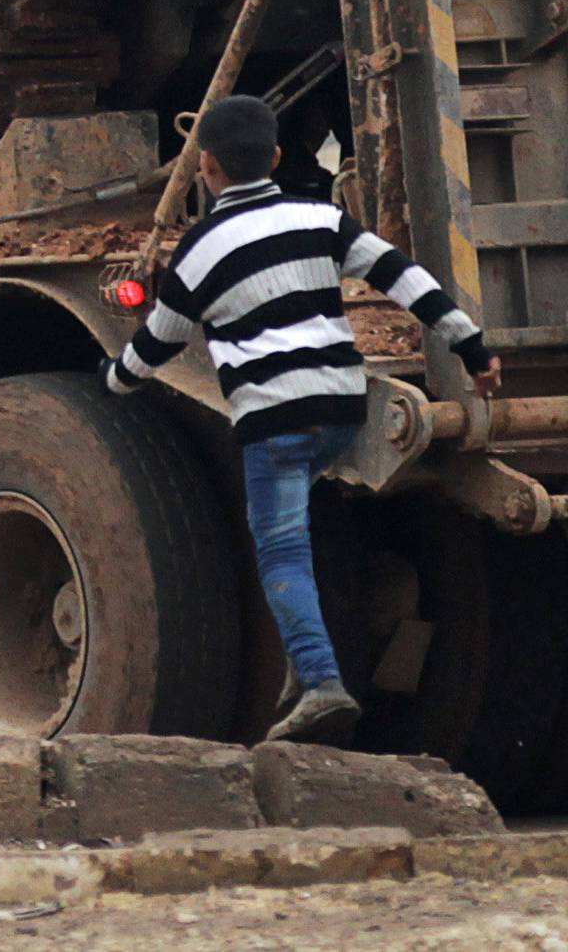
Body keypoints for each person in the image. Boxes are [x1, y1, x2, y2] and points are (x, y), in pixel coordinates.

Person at [103, 93, 501, 746]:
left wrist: (113, 379)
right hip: (341, 409)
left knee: (281, 550)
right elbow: (406, 278)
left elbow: (158, 343)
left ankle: (321, 682)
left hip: (276, 419)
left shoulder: (200, 249)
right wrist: (472, 346)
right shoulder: (320, 215)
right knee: (300, 521)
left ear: (205, 165)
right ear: (279, 158)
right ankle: (302, 662)